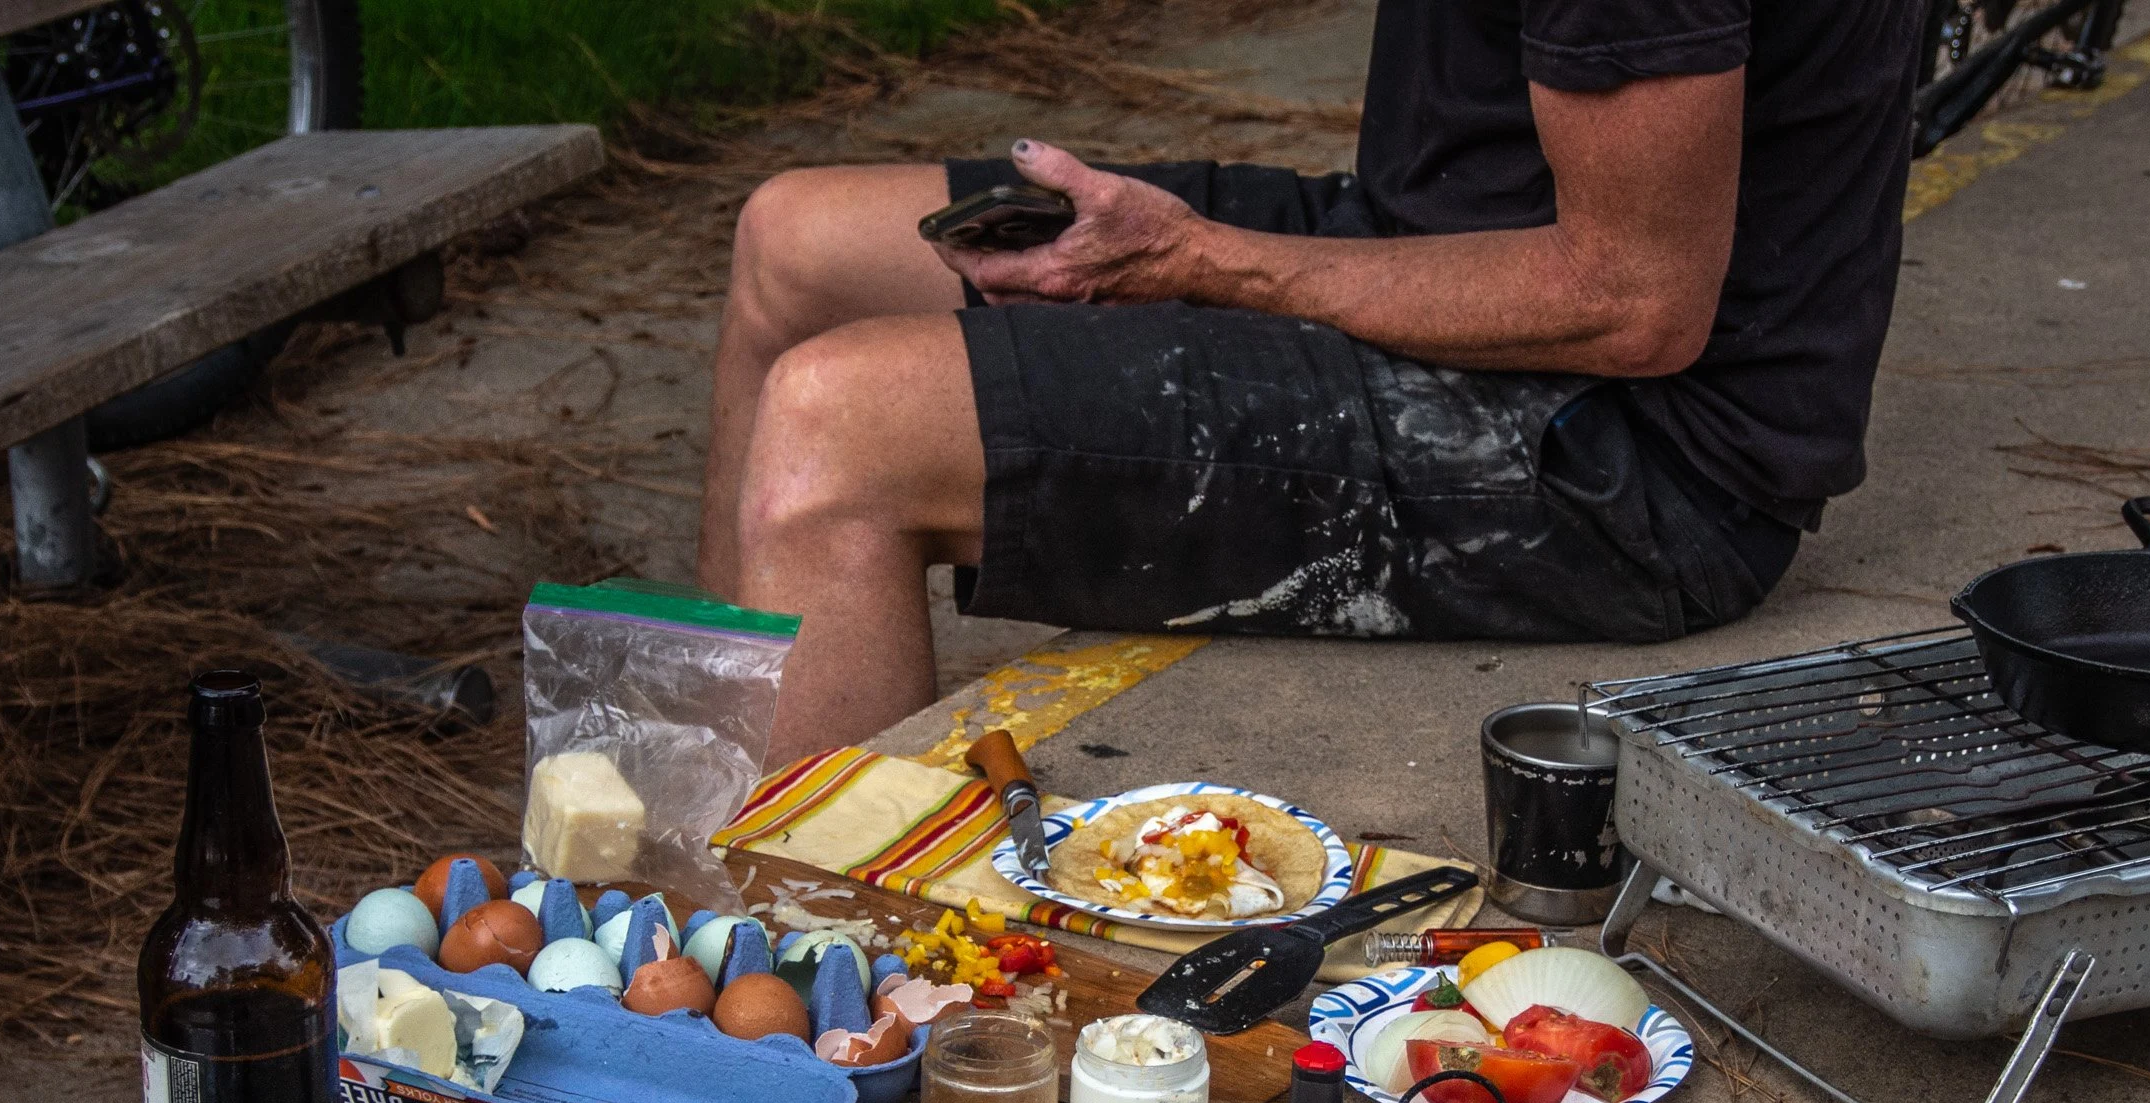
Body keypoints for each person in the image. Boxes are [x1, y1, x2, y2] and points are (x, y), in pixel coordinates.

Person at [701, 0, 1923, 763]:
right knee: (794, 242)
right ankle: (697, 803)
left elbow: (1634, 305)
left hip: (1630, 456)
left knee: (837, 427)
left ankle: (813, 984)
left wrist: (1200, 260)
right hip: (1425, 246)